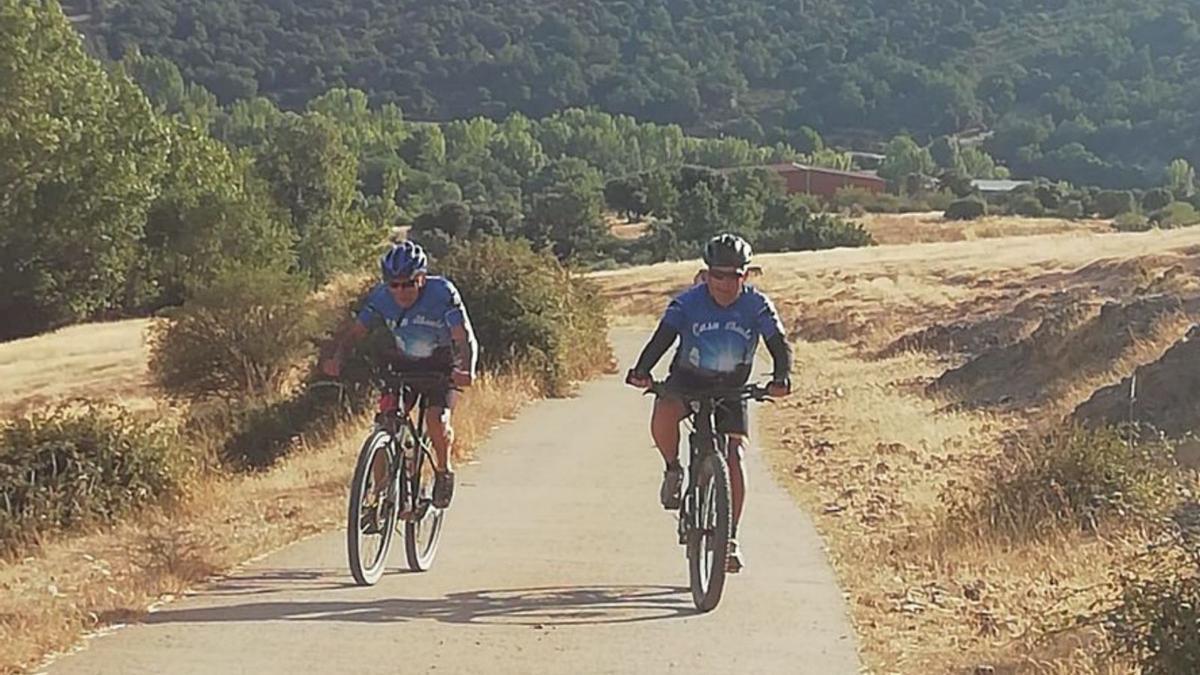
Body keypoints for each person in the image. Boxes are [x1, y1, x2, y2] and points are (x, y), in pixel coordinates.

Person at [625, 233, 792, 572]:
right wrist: (642, 371)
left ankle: (728, 538)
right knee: (666, 409)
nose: (726, 283)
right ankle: (673, 468)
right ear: (707, 273)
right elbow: (663, 337)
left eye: (734, 275)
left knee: (734, 455)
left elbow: (778, 342)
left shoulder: (757, 305)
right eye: (718, 274)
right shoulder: (687, 303)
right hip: (688, 380)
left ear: (745, 275)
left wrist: (781, 377)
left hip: (731, 387)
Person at [320, 241, 478, 509]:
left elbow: (463, 337)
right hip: (404, 364)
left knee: (435, 420)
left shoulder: (442, 293)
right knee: (386, 423)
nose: (401, 291)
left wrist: (467, 368)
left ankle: (443, 470)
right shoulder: (381, 297)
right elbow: (356, 332)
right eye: (394, 284)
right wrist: (338, 358)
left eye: (408, 283)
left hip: (441, 364)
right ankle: (379, 499)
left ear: (421, 278)